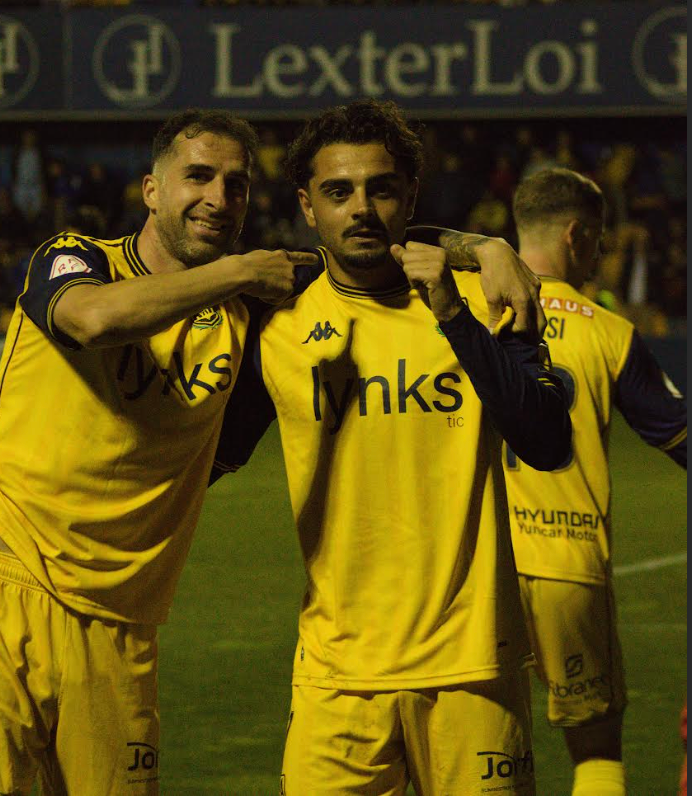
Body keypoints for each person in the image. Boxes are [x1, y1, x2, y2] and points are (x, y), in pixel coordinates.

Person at [0, 108, 319, 796]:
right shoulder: (76, 258)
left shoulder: (247, 320)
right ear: (152, 190)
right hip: (2, 593)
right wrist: (239, 271)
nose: (219, 198)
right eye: (198, 176)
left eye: (236, 184)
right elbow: (93, 319)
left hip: (122, 624)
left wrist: (483, 251)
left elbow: (375, 244)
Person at [208, 100, 572, 795]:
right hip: (337, 673)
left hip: (472, 666)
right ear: (307, 207)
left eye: (380, 189)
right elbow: (203, 461)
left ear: (410, 195)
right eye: (338, 192)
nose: (361, 209)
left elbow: (548, 440)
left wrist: (454, 313)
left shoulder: (486, 296)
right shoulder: (276, 324)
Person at [504, 167, 687, 796]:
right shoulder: (606, 330)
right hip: (566, 559)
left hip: (473, 562)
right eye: (599, 242)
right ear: (576, 235)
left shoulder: (459, 311)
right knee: (595, 748)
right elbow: (679, 436)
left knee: (477, 747)